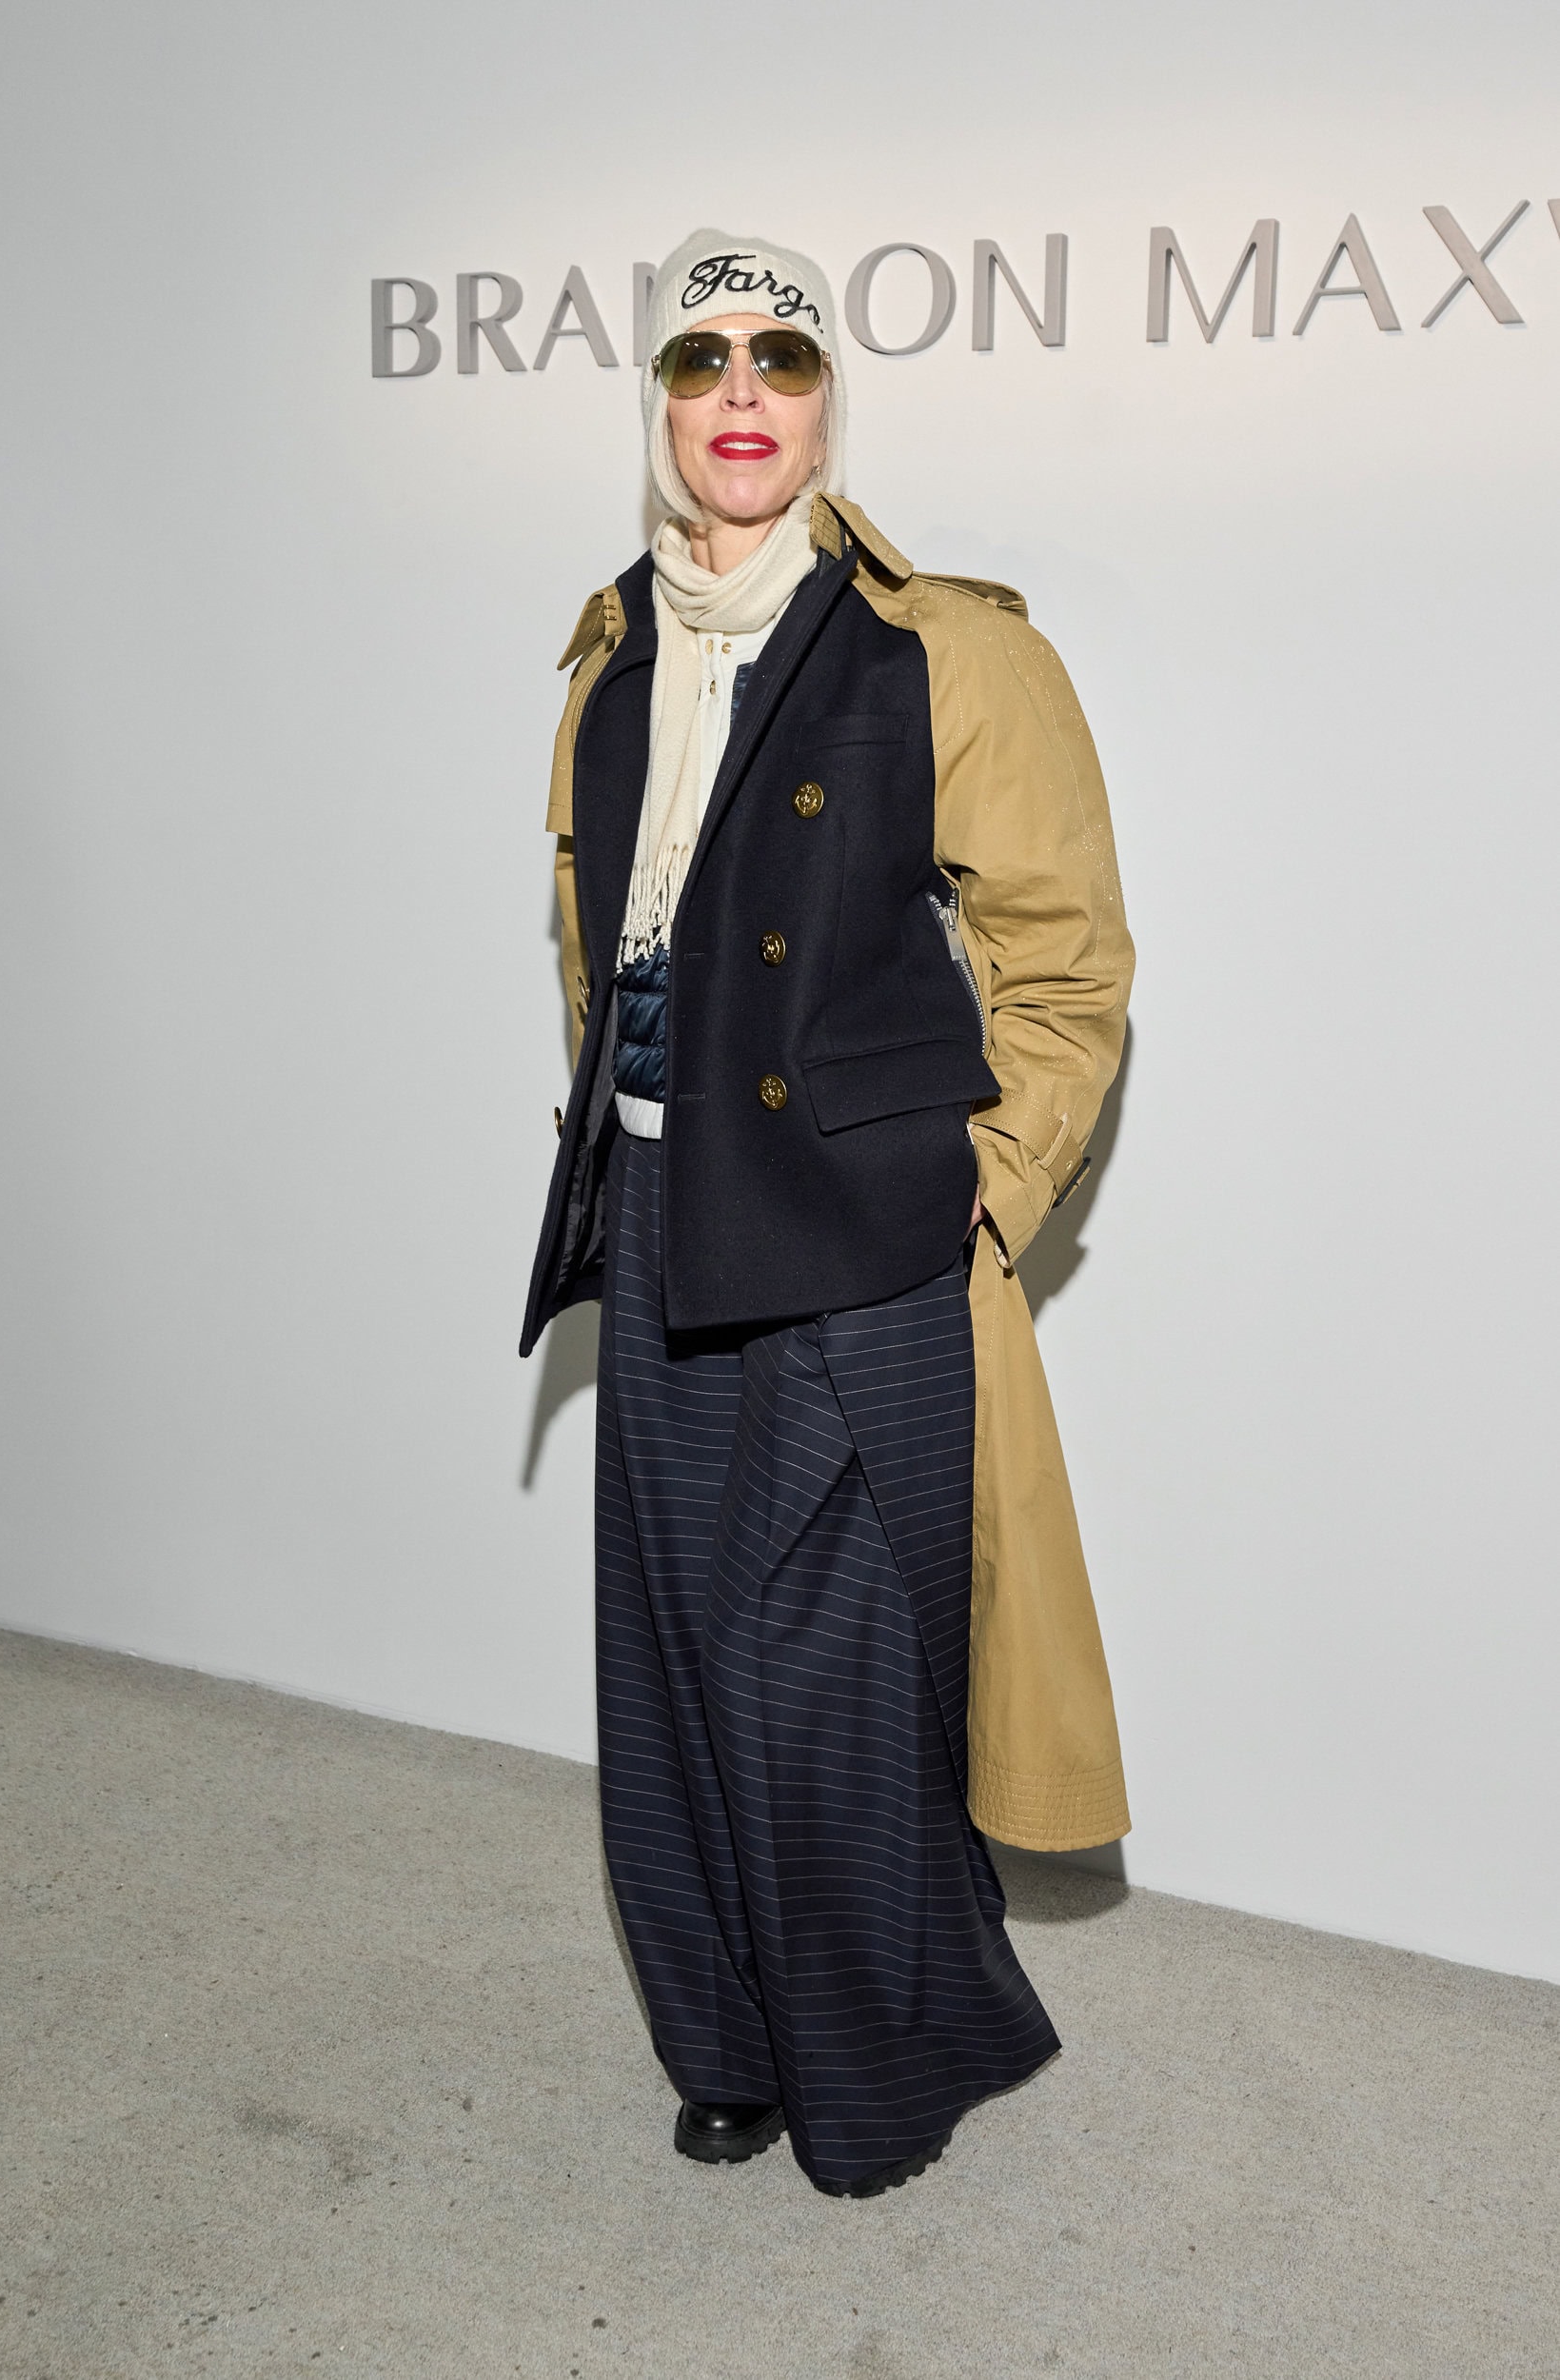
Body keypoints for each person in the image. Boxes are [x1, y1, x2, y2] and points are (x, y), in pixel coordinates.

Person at [522, 228, 1134, 2199]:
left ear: (825, 403)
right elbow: (605, 943)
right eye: (698, 362)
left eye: (779, 361)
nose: (740, 396)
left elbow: (1067, 967)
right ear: (658, 403)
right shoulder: (615, 647)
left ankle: (884, 2063)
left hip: (861, 1235)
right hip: (666, 1206)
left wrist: (980, 1190)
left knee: (838, 1677)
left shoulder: (938, 646)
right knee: (672, 1658)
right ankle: (725, 2038)